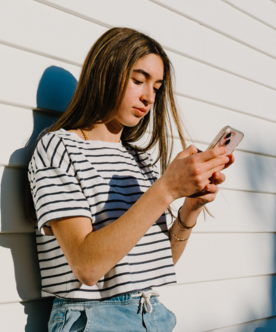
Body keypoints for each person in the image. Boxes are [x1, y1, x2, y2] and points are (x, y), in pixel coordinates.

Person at [26, 27, 234, 331]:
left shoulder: (139, 159)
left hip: (153, 313)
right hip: (93, 318)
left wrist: (189, 208)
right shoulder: (59, 148)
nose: (149, 96)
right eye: (139, 80)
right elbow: (87, 266)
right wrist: (166, 189)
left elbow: (155, 263)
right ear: (106, 73)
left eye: (157, 87)